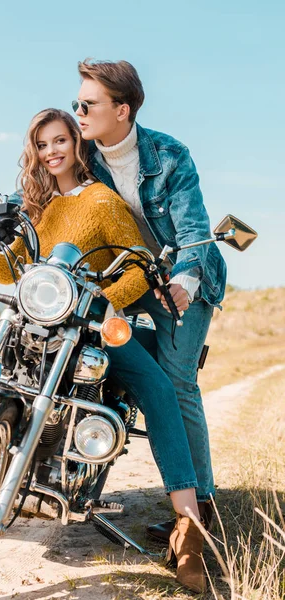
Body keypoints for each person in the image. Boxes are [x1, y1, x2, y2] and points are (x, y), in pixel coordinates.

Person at [0, 108, 207, 593]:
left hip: (92, 322)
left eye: (60, 141)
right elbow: (18, 271)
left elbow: (138, 263)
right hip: (39, 323)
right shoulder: (33, 207)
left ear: (76, 143)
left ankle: (188, 526)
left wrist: (108, 299)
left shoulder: (102, 200)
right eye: (43, 144)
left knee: (158, 386)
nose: (52, 152)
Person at [72, 59, 226, 541]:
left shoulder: (169, 154)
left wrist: (184, 280)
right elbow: (36, 189)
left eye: (87, 104)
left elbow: (195, 230)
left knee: (178, 383)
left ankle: (201, 510)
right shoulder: (81, 153)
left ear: (122, 109)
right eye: (77, 102)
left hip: (181, 281)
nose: (77, 111)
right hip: (122, 279)